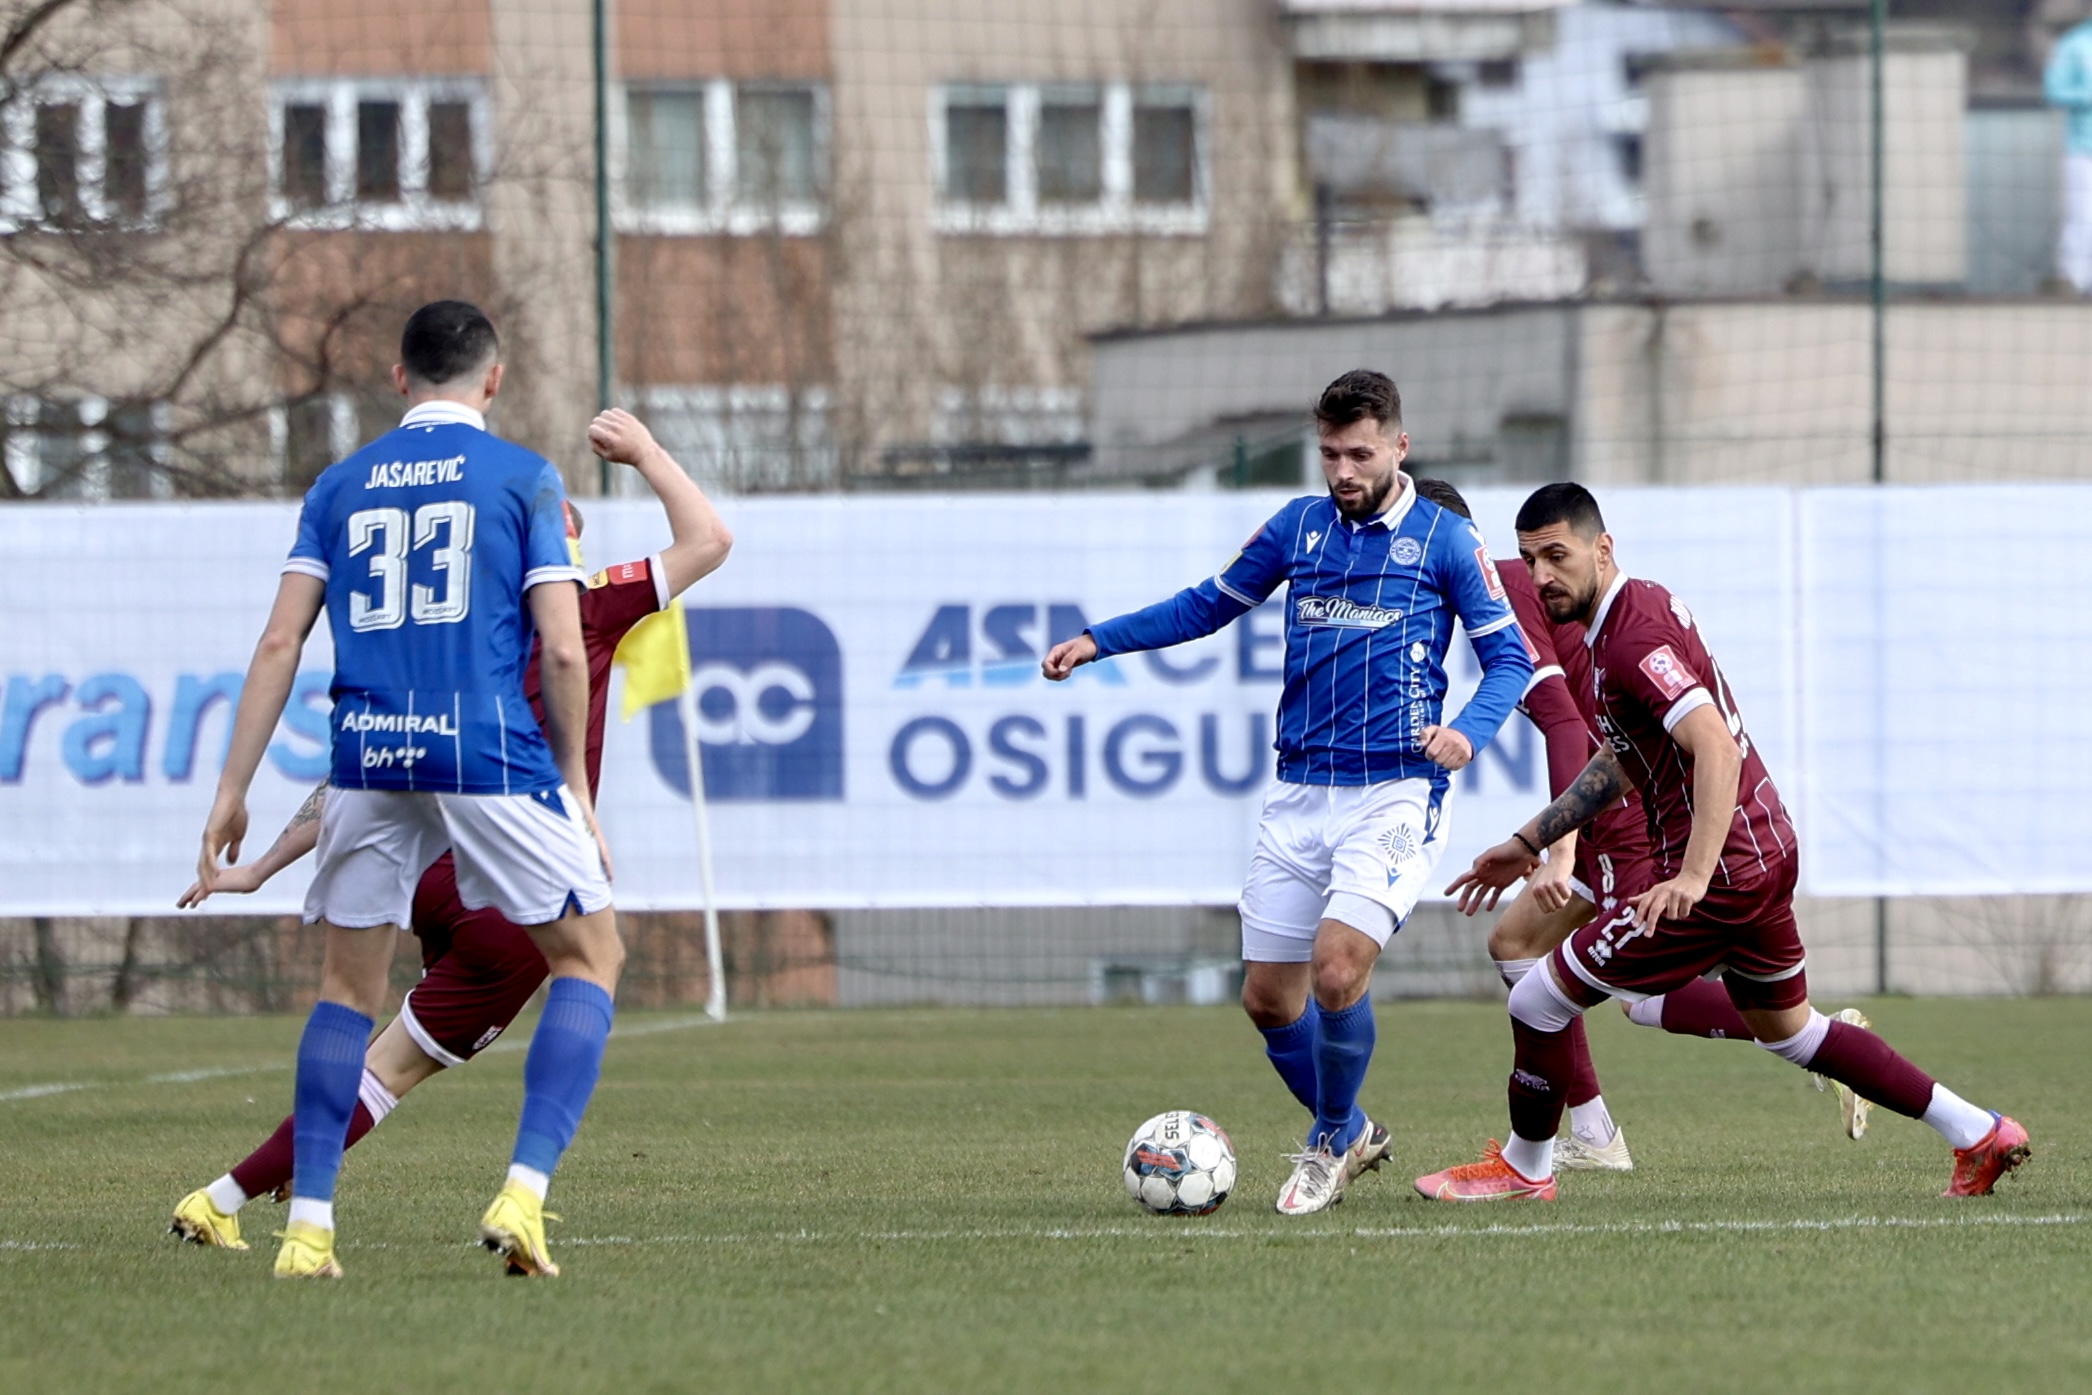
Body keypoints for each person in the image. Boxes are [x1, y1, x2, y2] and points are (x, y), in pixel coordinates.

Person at [170, 409, 730, 1254]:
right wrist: (647, 451)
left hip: (436, 869)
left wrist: (263, 867)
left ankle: (250, 1203)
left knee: (348, 1007)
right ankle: (500, 1196)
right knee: (404, 1063)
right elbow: (710, 537)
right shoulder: (584, 606)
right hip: (514, 891)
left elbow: (362, 775)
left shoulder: (451, 634)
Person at [1414, 484, 2030, 1202]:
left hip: (1725, 870)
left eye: (1556, 555)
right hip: (1765, 851)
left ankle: (1526, 1168)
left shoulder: (1631, 637)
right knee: (1793, 1033)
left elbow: (1714, 744)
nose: (1541, 575)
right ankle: (1979, 1132)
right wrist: (1534, 838)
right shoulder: (1627, 615)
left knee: (1539, 999)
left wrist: (1694, 875)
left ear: (1602, 547)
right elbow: (1623, 759)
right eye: (1529, 559)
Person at [1042, 371, 1533, 1216]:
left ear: (1399, 447)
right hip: (1301, 789)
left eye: (1361, 453)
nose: (1343, 470)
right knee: (1269, 997)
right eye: (1330, 453)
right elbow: (1206, 607)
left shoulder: (1445, 540)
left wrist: (1468, 731)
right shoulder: (1298, 529)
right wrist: (1099, 639)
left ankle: (1329, 1139)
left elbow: (1512, 661)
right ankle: (1353, 1128)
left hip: (1395, 790)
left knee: (1338, 968)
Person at [199, 301, 621, 1279]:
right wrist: (570, 782)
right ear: (495, 379)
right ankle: (523, 1193)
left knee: (346, 990)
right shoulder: (523, 477)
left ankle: (306, 1231)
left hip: (368, 753)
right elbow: (562, 646)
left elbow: (277, 642)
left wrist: (232, 786)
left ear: (399, 380)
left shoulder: (340, 485)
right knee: (590, 958)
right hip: (485, 750)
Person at [1408, 478, 1632, 1172]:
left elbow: (1566, 722)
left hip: (1623, 803)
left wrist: (1559, 846)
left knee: (1648, 992)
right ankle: (1595, 1134)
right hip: (1614, 792)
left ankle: (1819, 1038)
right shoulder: (1504, 591)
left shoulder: (1503, 593)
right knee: (1517, 947)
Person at [2047, 12, 2092, 294]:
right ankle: (2076, 283)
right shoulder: (2074, 43)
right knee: (2083, 217)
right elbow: (2054, 91)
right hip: (2083, 149)